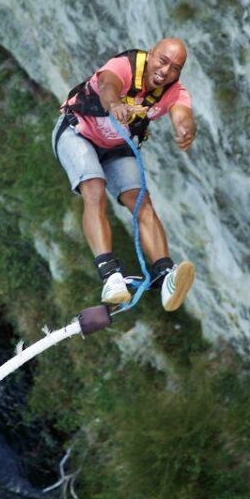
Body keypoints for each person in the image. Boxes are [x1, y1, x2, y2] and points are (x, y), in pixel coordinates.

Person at [52, 37, 197, 311]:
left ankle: (166, 276)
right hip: (77, 132)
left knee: (141, 202)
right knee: (94, 189)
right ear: (151, 53)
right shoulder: (124, 66)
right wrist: (114, 103)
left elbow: (183, 113)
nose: (165, 71)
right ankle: (109, 275)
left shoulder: (174, 92)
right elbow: (109, 85)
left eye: (175, 68)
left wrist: (185, 128)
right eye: (162, 61)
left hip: (117, 145)